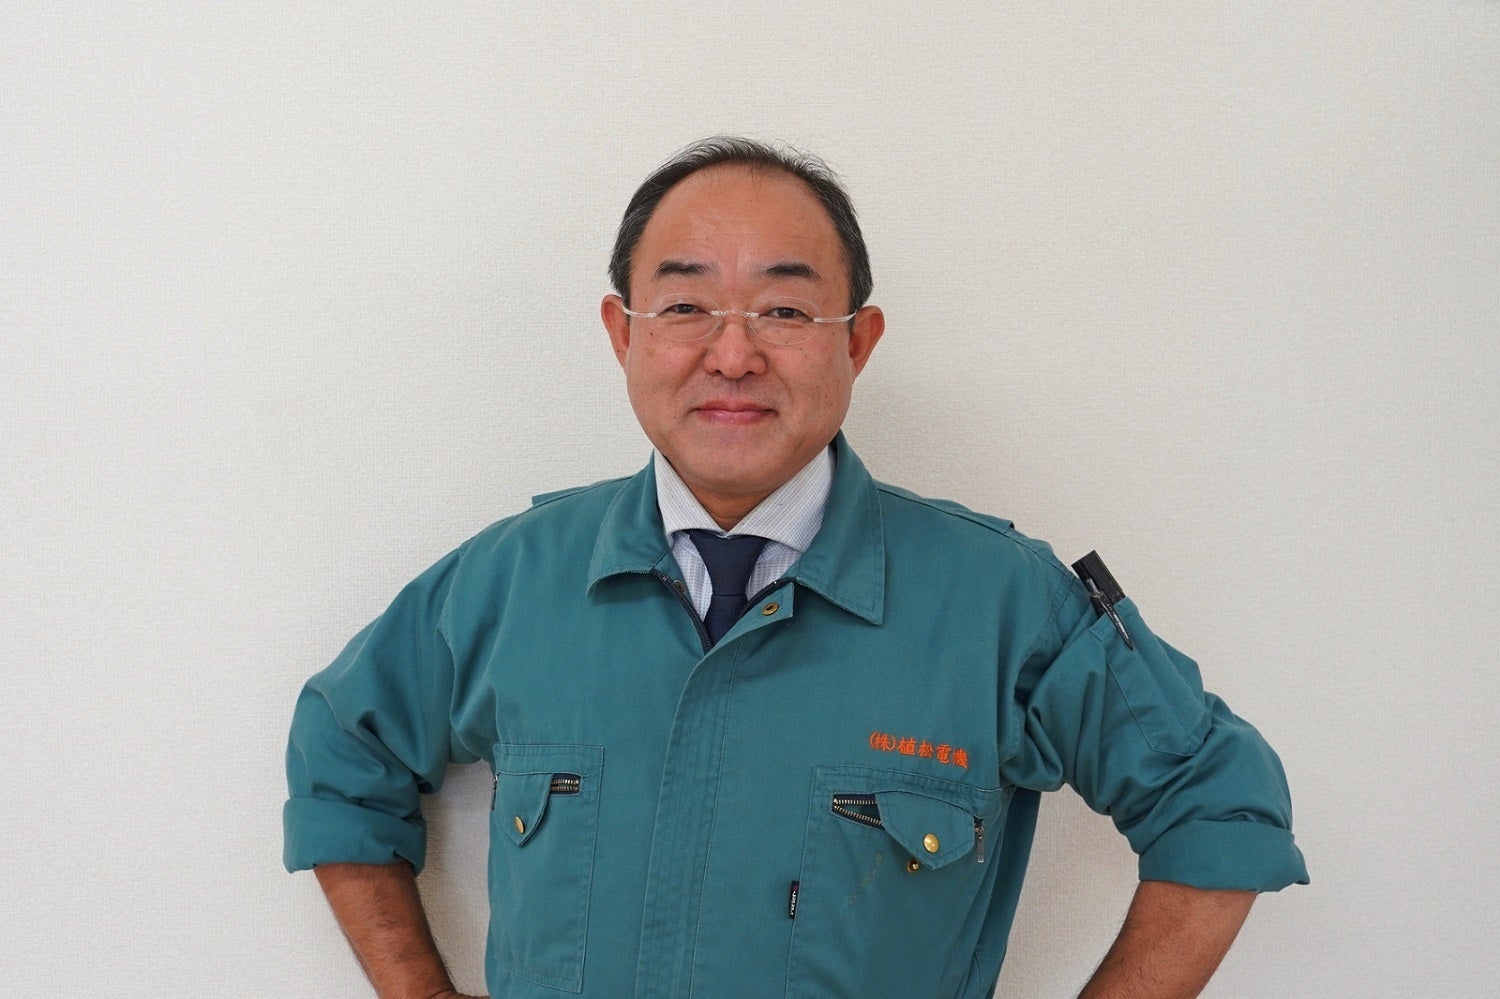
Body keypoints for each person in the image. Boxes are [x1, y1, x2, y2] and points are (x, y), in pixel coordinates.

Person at [284, 136, 1307, 999]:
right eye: (685, 307)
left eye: (784, 311)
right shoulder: (513, 583)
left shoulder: (1001, 603)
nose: (733, 356)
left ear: (857, 343)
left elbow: (1220, 807)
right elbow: (342, 750)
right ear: (622, 333)